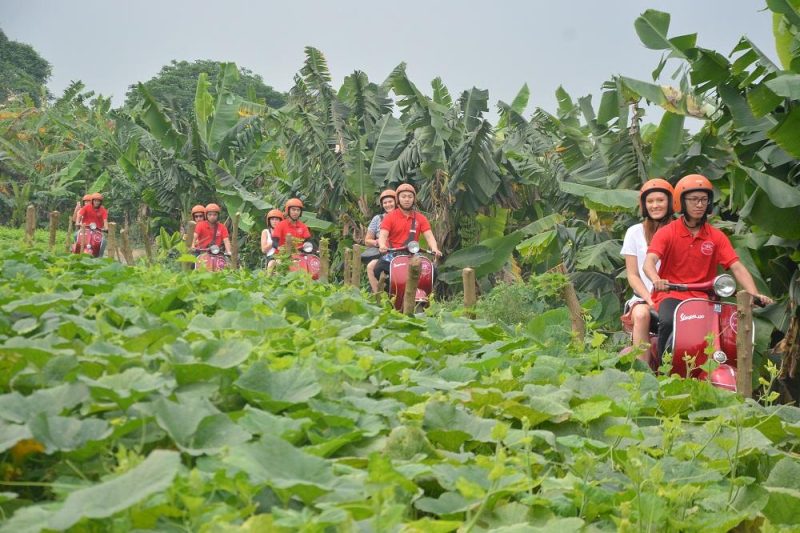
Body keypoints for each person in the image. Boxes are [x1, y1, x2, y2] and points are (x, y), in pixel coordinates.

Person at [643, 174, 774, 359]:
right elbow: (649, 262)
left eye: (704, 199)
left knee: (723, 331)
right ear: (681, 202)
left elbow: (737, 266)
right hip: (672, 294)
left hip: (706, 299)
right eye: (694, 199)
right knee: (667, 322)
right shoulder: (667, 232)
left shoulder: (716, 236)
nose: (699, 204)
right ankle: (664, 371)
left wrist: (753, 293)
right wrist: (657, 280)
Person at [620, 179, 674, 366]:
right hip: (645, 298)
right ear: (644, 205)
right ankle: (642, 373)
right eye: (650, 201)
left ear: (670, 202)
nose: (655, 205)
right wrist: (651, 300)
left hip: (675, 296)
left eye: (660, 200)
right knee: (642, 314)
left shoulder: (680, 230)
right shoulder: (634, 232)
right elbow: (633, 274)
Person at [373, 183, 442, 293]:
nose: (407, 199)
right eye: (403, 196)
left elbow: (429, 236)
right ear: (398, 199)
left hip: (413, 255)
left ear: (414, 199)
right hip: (393, 254)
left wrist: (435, 248)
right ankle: (391, 294)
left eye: (410, 197)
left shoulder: (421, 218)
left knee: (433, 270)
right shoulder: (390, 217)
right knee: (378, 269)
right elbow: (383, 235)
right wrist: (382, 245)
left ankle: (424, 295)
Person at [366, 189, 396, 293]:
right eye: (385, 203)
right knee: (371, 266)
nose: (388, 205)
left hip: (402, 252)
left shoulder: (403, 216)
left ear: (396, 202)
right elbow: (367, 240)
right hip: (384, 254)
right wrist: (377, 242)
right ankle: (378, 296)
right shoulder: (377, 219)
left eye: (390, 201)